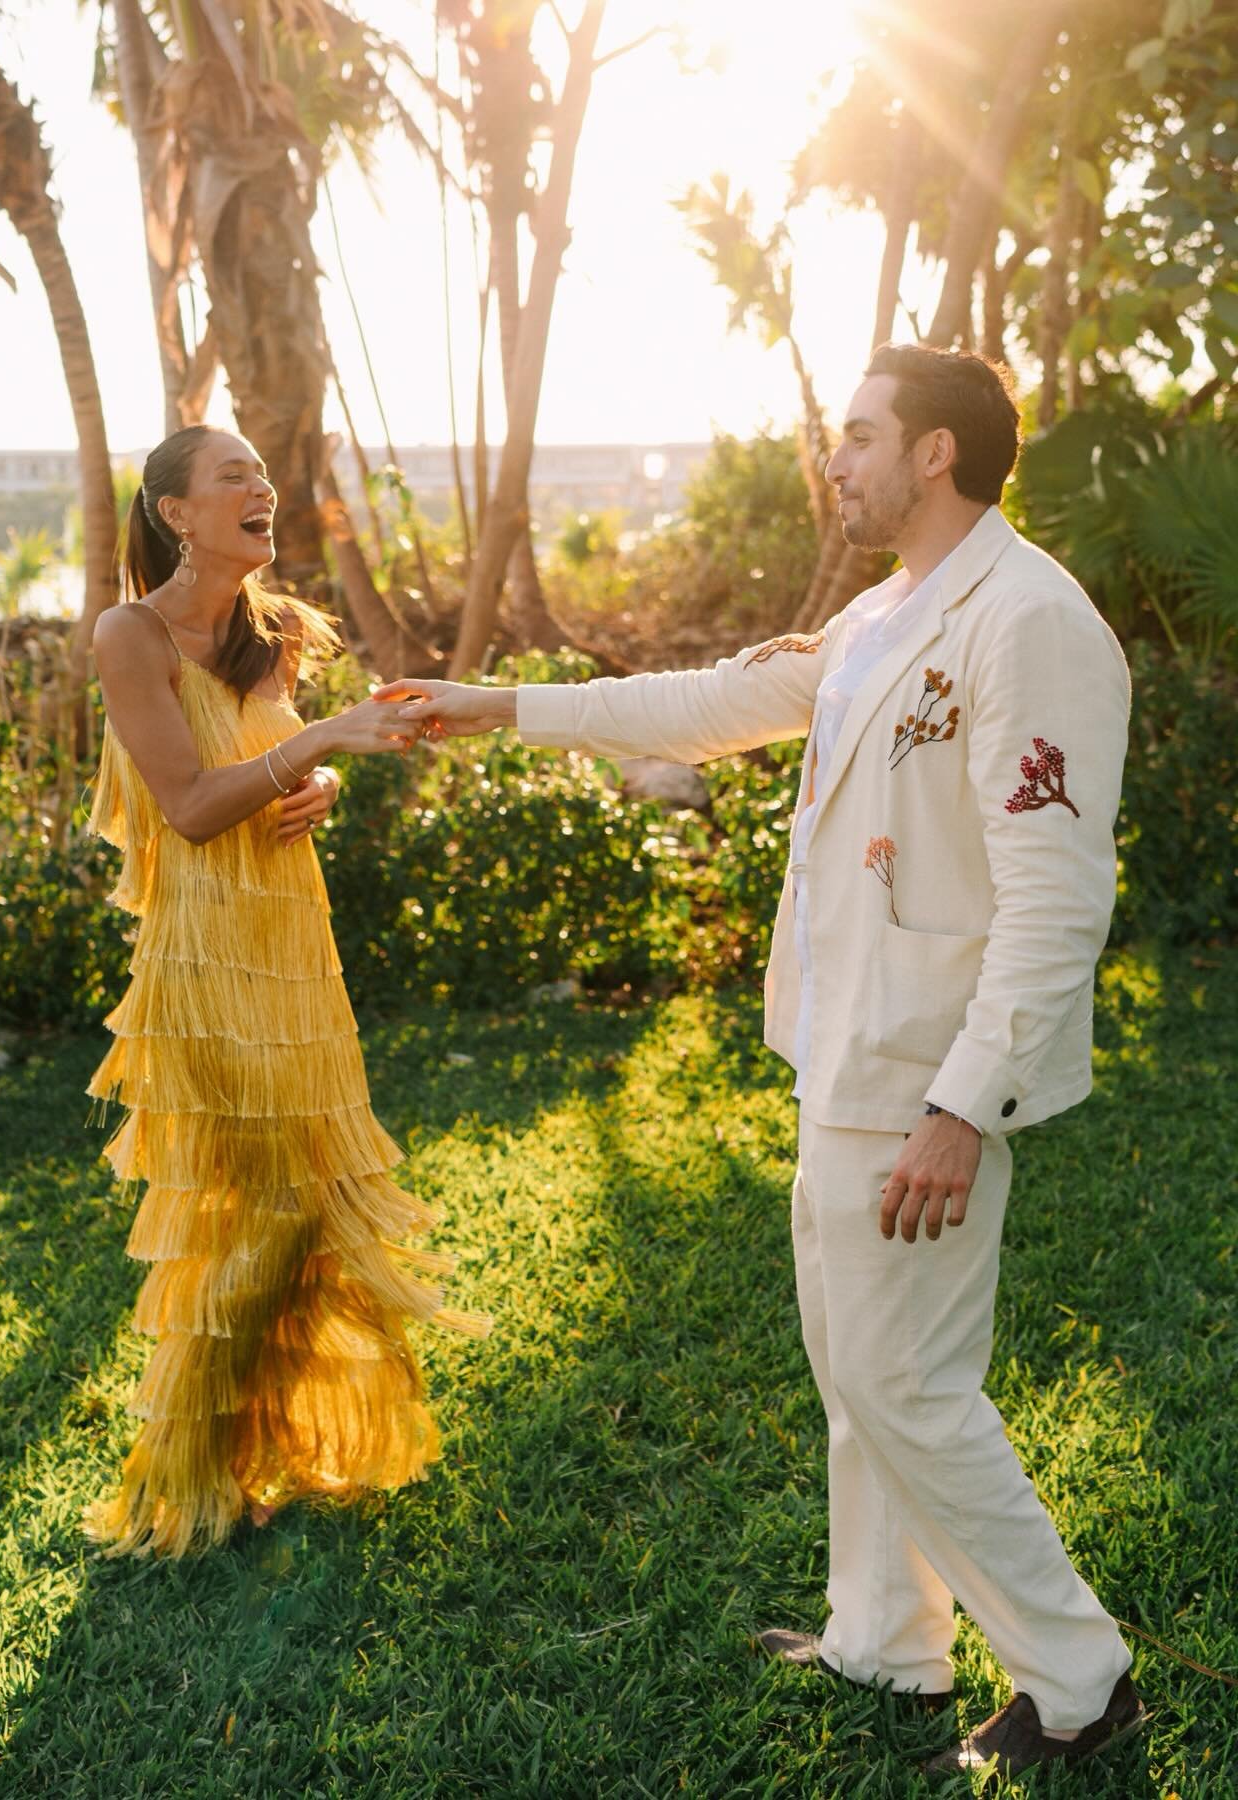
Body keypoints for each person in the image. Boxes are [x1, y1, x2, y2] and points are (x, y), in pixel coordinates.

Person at [385, 346, 1144, 1777]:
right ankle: (884, 1638)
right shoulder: (882, 613)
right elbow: (703, 704)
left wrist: (961, 1108)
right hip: (849, 1050)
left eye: (856, 436)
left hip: (926, 1069)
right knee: (858, 1369)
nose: (832, 458)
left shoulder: (1029, 618)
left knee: (905, 1380)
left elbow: (1058, 901)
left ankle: (1082, 1678)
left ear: (933, 453)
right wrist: (498, 707)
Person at [84, 423, 488, 1559]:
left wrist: (319, 790)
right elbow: (193, 807)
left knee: (300, 1207)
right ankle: (183, 1480)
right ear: (174, 513)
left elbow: (267, 773)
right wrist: (321, 742)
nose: (262, 489)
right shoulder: (131, 633)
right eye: (233, 478)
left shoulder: (275, 634)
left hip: (295, 946)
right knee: (268, 1209)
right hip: (207, 963)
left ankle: (255, 1455)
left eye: (263, 475)